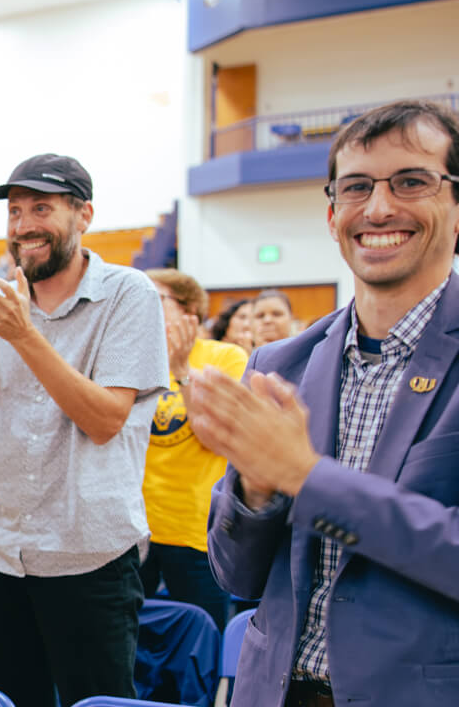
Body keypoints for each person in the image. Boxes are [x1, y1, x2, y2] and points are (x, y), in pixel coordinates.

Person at [191, 100, 459, 706]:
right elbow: (237, 575)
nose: (380, 207)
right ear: (334, 214)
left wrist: (305, 478)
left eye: (412, 181)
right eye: (357, 187)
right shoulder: (277, 364)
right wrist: (256, 493)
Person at [0, 153, 167, 707]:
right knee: (18, 699)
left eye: (40, 208)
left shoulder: (128, 294)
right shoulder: (2, 305)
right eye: (15, 212)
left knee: (96, 702)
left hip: (86, 554)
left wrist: (22, 336)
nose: (22, 226)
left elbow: (105, 421)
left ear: (83, 215)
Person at [140, 269, 248, 632]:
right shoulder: (132, 358)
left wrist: (182, 370)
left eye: (155, 299)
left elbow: (218, 437)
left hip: (196, 530)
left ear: (189, 309)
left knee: (199, 644)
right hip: (135, 531)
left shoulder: (225, 357)